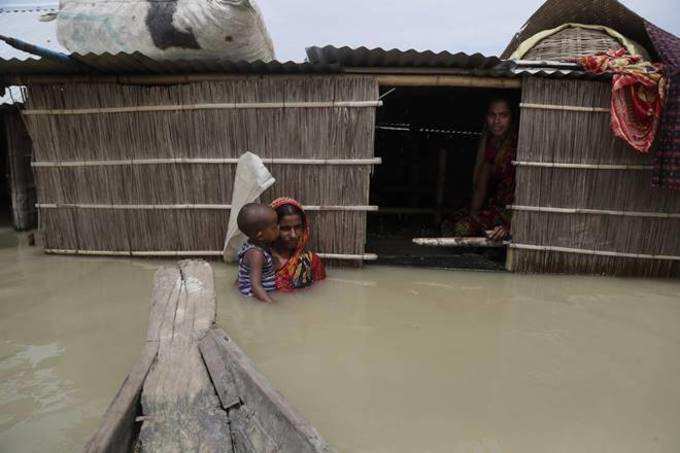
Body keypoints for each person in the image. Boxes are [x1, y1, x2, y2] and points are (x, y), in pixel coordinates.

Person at [442, 98, 518, 241]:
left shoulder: (519, 145)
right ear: (486, 117)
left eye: (503, 115)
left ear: (511, 118)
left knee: (464, 227)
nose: (497, 121)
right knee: (456, 219)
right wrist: (474, 215)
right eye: (492, 115)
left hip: (515, 214)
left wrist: (511, 225)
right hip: (495, 208)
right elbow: (480, 187)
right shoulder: (491, 145)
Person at [270, 197, 326, 291]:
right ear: (272, 228)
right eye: (285, 228)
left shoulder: (311, 262)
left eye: (298, 227)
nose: (293, 235)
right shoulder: (259, 258)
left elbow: (321, 293)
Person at [236, 203, 280, 303]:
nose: (278, 228)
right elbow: (256, 286)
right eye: (274, 227)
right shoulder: (256, 254)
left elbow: (242, 275)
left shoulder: (255, 246)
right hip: (253, 299)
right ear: (260, 236)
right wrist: (272, 303)